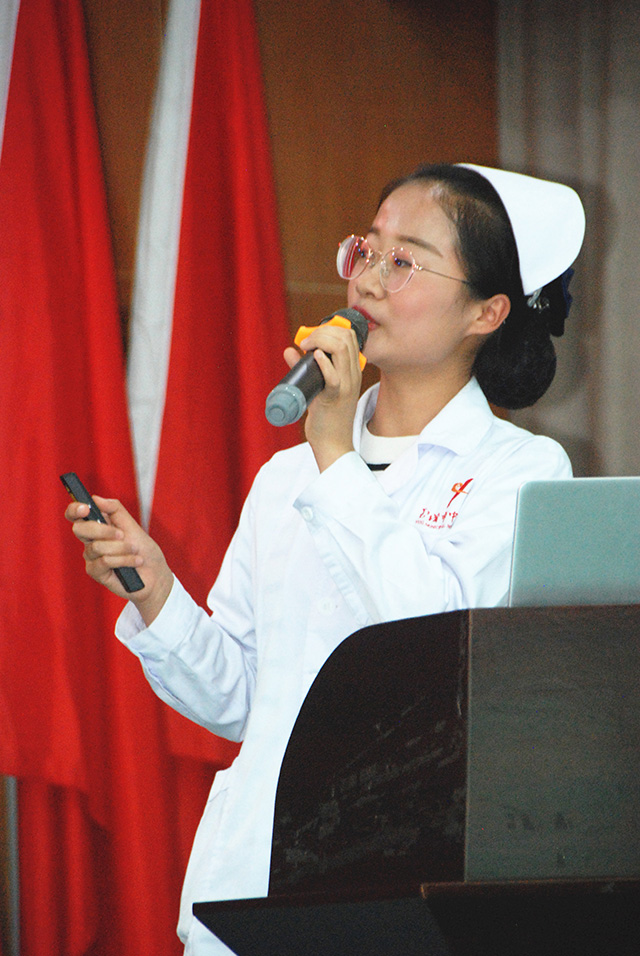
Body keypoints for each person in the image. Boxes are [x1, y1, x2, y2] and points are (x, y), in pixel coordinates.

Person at [66, 162, 585, 954]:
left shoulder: (523, 472)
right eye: (366, 249)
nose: (368, 279)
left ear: (486, 311)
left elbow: (434, 658)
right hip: (247, 891)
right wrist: (157, 591)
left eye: (404, 260)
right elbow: (241, 698)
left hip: (398, 886)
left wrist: (336, 454)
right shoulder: (287, 476)